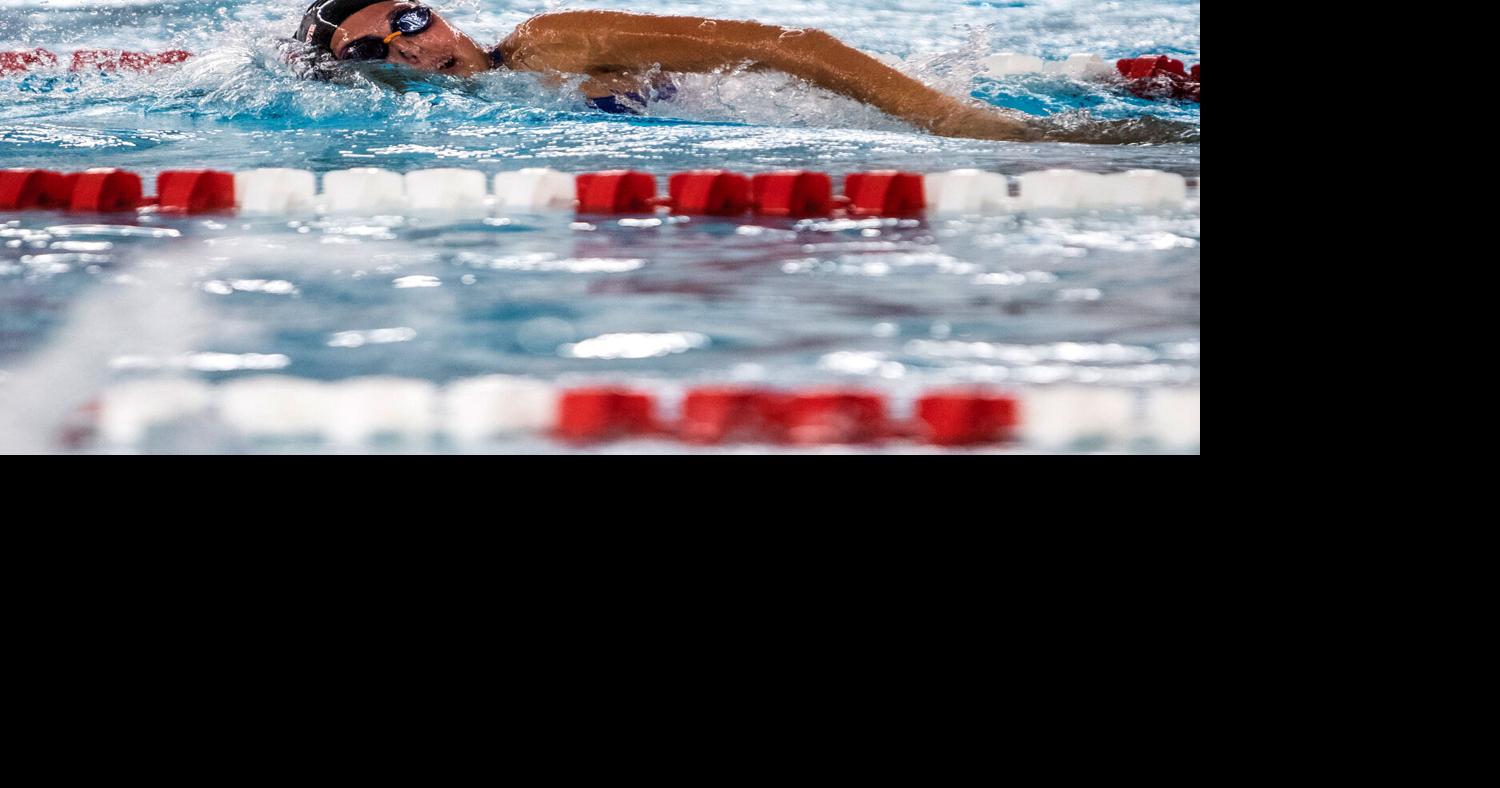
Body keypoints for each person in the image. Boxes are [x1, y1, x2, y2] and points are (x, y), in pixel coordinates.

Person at [295, 0, 1046, 141]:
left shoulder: (553, 43)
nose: (409, 49)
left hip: (890, 106)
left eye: (410, 21)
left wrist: (950, 119)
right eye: (370, 52)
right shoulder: (473, 117)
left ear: (439, 15)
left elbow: (801, 47)